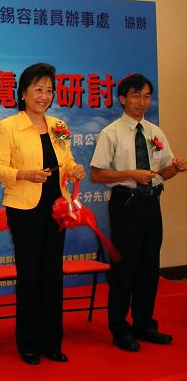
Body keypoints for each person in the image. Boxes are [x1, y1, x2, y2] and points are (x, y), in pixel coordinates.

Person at [0, 63, 85, 365]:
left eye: (49, 90)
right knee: (30, 276)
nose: (44, 96)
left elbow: (67, 162)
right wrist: (24, 174)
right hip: (25, 210)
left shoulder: (59, 126)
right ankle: (29, 343)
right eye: (38, 89)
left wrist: (75, 169)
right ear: (23, 93)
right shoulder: (9, 126)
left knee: (52, 275)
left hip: (57, 209)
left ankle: (52, 342)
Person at [90, 74, 186, 352]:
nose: (142, 102)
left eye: (146, 96)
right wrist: (130, 174)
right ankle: (120, 328)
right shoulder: (111, 132)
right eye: (136, 96)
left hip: (151, 203)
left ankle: (144, 324)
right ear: (122, 99)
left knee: (149, 265)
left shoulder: (155, 132)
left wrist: (176, 167)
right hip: (126, 204)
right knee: (125, 267)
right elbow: (97, 174)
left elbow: (163, 172)